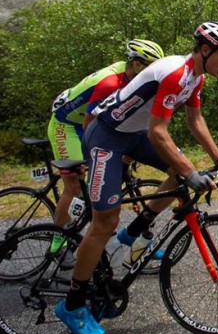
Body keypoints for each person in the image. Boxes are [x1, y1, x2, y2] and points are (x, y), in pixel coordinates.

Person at [55, 22, 218, 334]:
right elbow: (158, 132)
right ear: (206, 50)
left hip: (133, 135)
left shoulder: (195, 77)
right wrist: (191, 173)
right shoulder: (175, 74)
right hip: (106, 137)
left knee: (177, 169)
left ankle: (134, 231)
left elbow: (195, 119)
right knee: (103, 223)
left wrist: (217, 158)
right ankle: (72, 305)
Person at [46, 39, 165, 252]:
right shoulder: (110, 82)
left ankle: (116, 235)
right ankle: (58, 238)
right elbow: (89, 126)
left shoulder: (133, 80)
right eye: (150, 68)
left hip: (93, 124)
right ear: (137, 64)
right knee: (74, 185)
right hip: (68, 126)